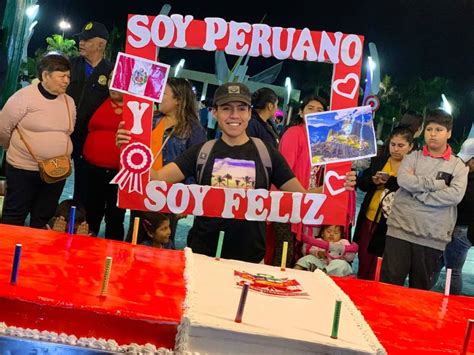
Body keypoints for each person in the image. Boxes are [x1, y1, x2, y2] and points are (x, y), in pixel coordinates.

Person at [117, 82, 357, 263]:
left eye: (241, 108)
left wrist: (337, 185)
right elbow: (156, 178)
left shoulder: (267, 154)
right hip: (203, 253)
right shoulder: (202, 151)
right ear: (215, 113)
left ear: (250, 113)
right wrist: (130, 149)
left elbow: (303, 196)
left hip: (250, 257)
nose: (234, 115)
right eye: (226, 108)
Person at [381, 109, 469, 290]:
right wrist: (437, 185)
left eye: (439, 129)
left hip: (432, 236)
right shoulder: (412, 157)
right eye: (429, 129)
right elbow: (403, 180)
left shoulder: (458, 166)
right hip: (399, 231)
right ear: (423, 131)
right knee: (387, 288)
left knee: (420, 294)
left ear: (449, 133)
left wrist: (418, 191)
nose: (433, 134)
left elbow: (455, 195)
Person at [0, 54, 76, 228]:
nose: (66, 81)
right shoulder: (23, 98)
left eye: (68, 76)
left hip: (56, 170)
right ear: (45, 76)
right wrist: (11, 148)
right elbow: (3, 128)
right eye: (61, 76)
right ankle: (8, 253)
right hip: (23, 169)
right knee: (14, 215)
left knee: (44, 217)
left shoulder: (69, 102)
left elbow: (68, 130)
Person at [128, 78, 206, 244]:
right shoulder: (150, 117)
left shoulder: (194, 129)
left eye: (163, 93)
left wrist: (186, 198)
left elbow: (195, 166)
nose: (158, 96)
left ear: (178, 100)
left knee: (162, 242)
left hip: (169, 196)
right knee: (135, 238)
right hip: (142, 189)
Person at [353, 127, 414, 279]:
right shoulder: (378, 161)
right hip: (369, 217)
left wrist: (389, 181)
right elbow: (362, 184)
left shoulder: (413, 168)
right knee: (364, 259)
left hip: (392, 223)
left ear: (411, 147)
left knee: (382, 265)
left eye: (401, 146)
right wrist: (373, 181)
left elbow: (409, 188)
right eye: (393, 144)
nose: (396, 149)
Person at [67, 21, 113, 205]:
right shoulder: (69, 65)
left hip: (89, 140)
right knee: (52, 178)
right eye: (81, 39)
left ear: (101, 45)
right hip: (64, 134)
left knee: (83, 189)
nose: (81, 43)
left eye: (86, 40)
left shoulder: (112, 72)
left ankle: (78, 223)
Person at [82, 76, 126, 240]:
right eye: (111, 79)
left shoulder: (136, 109)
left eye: (119, 80)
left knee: (115, 218)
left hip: (119, 174)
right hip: (93, 169)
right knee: (91, 213)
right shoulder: (97, 100)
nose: (113, 84)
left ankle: (113, 255)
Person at [434, 138, 474, 294]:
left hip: (462, 230)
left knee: (453, 270)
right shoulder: (466, 176)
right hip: (459, 229)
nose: (465, 164)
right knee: (439, 264)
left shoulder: (468, 180)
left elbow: (460, 202)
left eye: (468, 161)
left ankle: (453, 302)